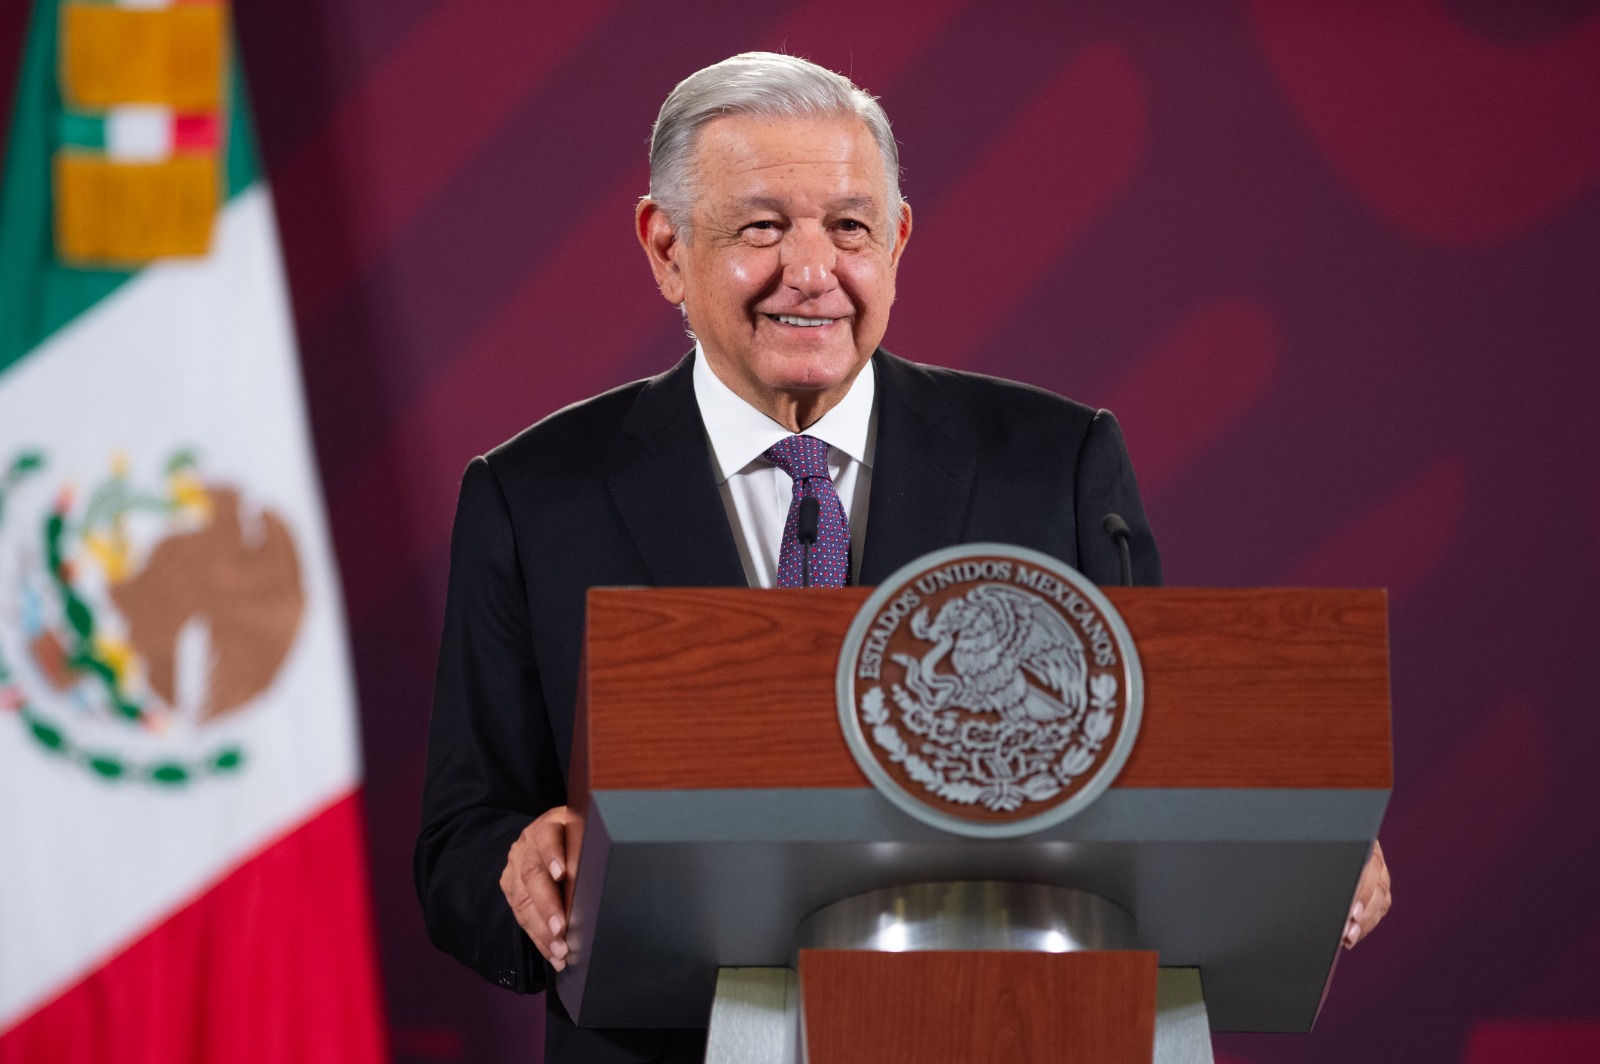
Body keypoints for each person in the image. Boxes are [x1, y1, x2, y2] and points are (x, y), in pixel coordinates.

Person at [414, 51, 1388, 1064]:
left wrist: (1295, 840)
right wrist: (524, 869)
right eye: (762, 228)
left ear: (898, 242)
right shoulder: (537, 496)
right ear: (667, 248)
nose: (813, 272)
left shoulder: (1053, 464)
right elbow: (458, 844)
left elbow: (1159, 762)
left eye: (849, 227)